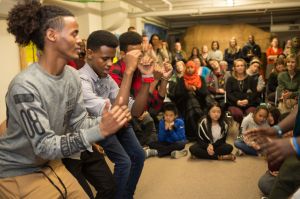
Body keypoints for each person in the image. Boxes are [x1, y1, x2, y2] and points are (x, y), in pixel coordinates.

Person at [0, 2, 129, 198]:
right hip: (19, 172)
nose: (80, 41)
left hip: (51, 163)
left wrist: (103, 121)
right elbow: (45, 146)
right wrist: (100, 130)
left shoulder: (72, 75)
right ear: (52, 35)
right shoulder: (25, 86)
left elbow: (77, 122)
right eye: (74, 33)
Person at [78, 30, 153, 199]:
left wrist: (148, 76)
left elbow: (135, 110)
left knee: (139, 155)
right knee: (124, 162)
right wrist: (129, 72)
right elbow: (115, 114)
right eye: (104, 58)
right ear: (89, 53)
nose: (109, 63)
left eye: (111, 58)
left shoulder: (106, 78)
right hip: (98, 126)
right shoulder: (81, 80)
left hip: (115, 123)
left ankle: (126, 195)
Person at [245, 102, 300, 198]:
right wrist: (276, 129)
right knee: (266, 183)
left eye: (265, 116)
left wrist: (295, 144)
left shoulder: (288, 144)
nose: (262, 118)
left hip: (294, 148)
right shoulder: (247, 120)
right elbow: (297, 111)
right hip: (294, 153)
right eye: (260, 115)